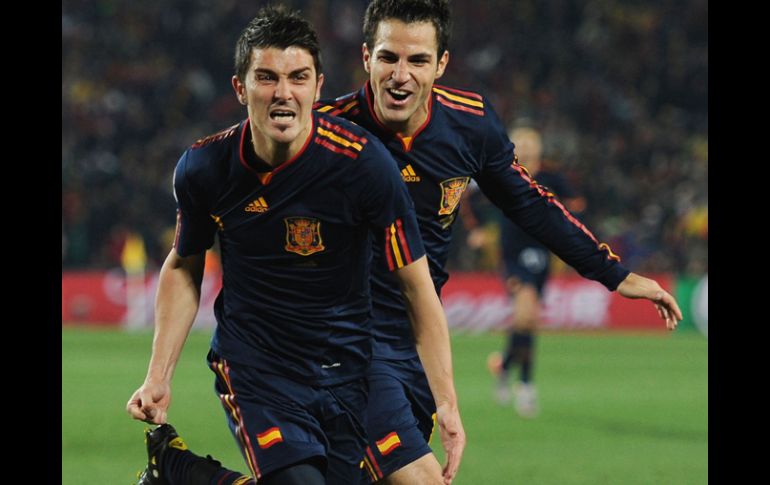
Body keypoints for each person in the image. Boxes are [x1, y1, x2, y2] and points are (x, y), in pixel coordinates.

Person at [166, 1, 682, 483]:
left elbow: (531, 204)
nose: (400, 75)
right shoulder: (327, 133)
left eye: (418, 60)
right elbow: (249, 188)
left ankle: (182, 473)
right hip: (352, 344)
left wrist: (616, 273)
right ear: (366, 57)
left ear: (441, 64)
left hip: (415, 340)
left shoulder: (471, 125)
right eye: (388, 57)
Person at [125, 6, 464, 485]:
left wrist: (446, 402)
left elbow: (417, 287)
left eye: (298, 77)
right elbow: (184, 266)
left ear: (318, 87)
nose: (283, 93)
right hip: (260, 367)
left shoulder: (364, 167)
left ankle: (181, 474)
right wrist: (159, 375)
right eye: (266, 77)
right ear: (240, 88)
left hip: (352, 366)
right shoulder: (205, 168)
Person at [480, 126, 586, 416]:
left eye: (530, 143)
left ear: (538, 148)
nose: (525, 148)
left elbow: (577, 204)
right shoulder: (503, 173)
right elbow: (471, 198)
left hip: (541, 254)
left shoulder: (552, 177)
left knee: (526, 322)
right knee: (526, 314)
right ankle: (525, 386)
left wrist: (558, 209)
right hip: (513, 255)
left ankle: (503, 366)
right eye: (520, 143)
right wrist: (478, 231)